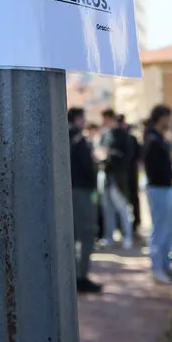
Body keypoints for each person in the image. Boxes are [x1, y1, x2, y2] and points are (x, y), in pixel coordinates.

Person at [142, 105, 172, 284]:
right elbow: (153, 167)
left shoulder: (159, 139)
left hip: (165, 187)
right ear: (161, 118)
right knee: (160, 229)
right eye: (168, 118)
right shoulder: (152, 139)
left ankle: (165, 264)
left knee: (169, 228)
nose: (170, 122)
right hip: (158, 188)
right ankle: (157, 268)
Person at [68, 107, 102, 293]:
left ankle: (74, 275)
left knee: (72, 236)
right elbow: (86, 168)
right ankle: (80, 276)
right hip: (81, 190)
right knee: (87, 233)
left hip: (70, 191)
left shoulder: (60, 135)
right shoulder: (78, 140)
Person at [97, 108, 133, 249]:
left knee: (122, 208)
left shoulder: (123, 135)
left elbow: (127, 156)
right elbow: (100, 151)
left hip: (118, 177)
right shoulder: (105, 134)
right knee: (107, 209)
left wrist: (109, 155)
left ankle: (127, 236)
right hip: (106, 175)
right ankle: (109, 236)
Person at [119, 114, 143, 236]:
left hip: (131, 173)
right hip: (126, 173)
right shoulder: (125, 137)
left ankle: (135, 224)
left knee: (133, 198)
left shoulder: (131, 138)